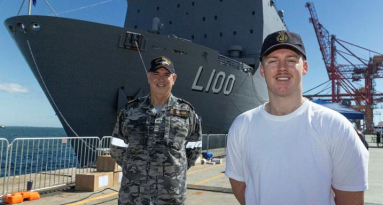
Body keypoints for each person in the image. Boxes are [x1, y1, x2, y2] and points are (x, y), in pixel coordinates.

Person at [225, 30, 369, 205]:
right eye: (272, 61)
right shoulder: (241, 125)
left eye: (291, 60)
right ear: (262, 70)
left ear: (305, 67)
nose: (282, 68)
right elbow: (240, 187)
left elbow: (351, 199)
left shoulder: (336, 126)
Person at [110, 56, 202, 205]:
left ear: (174, 78)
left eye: (166, 75)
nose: (161, 79)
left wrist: (173, 172)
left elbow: (194, 149)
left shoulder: (186, 112)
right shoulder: (130, 110)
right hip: (134, 196)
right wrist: (136, 169)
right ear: (149, 77)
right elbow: (116, 148)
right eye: (156, 74)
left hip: (171, 195)